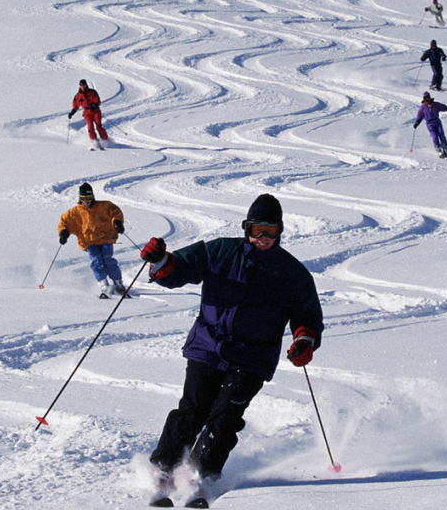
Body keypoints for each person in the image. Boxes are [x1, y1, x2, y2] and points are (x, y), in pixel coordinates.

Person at [139, 194, 324, 507]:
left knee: (225, 417)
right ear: (246, 228)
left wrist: (304, 341)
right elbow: (180, 269)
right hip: (208, 345)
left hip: (252, 357)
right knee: (194, 408)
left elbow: (307, 317)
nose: (263, 238)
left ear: (280, 231)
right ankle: (163, 469)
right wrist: (161, 262)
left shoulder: (292, 273)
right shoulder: (220, 251)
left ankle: (198, 479)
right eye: (257, 230)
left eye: (271, 230)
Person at [58, 183, 126, 298]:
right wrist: (63, 233)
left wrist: (117, 222)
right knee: (97, 261)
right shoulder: (75, 212)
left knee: (108, 260)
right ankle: (104, 285)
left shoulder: (104, 206)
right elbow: (64, 222)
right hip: (88, 241)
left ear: (93, 196)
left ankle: (118, 283)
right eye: (83, 199)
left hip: (105, 238)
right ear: (80, 198)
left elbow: (115, 212)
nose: (87, 201)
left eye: (89, 198)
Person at [414, 91, 447, 159]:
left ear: (430, 98)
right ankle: (438, 150)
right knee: (435, 136)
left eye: (428, 99)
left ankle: (445, 149)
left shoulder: (435, 105)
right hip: (430, 124)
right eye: (425, 99)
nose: (427, 101)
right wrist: (417, 122)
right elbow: (420, 116)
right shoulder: (422, 107)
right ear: (424, 100)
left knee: (441, 134)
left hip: (437, 121)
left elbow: (443, 107)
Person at [68, 79, 109, 147]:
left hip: (96, 112)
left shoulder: (92, 92)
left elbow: (98, 100)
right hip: (87, 113)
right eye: (81, 85)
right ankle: (94, 142)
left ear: (86, 85)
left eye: (84, 85)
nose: (82, 86)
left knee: (99, 126)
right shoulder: (78, 96)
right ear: (79, 86)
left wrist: (95, 105)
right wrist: (72, 112)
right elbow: (75, 105)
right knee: (90, 127)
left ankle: (105, 140)